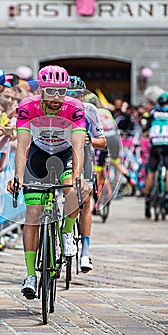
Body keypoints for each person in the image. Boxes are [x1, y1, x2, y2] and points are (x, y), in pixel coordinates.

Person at [7, 65, 87, 299]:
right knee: (33, 213)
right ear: (41, 90)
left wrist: (75, 176)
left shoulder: (75, 108)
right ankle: (31, 274)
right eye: (50, 91)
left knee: (72, 188)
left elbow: (78, 147)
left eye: (61, 91)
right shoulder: (27, 107)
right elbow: (22, 146)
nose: (56, 97)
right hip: (39, 155)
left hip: (64, 154)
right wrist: (19, 177)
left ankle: (67, 232)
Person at [66, 76, 106, 272]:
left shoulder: (89, 110)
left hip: (84, 158)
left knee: (85, 203)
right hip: (59, 157)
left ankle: (85, 253)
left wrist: (89, 138)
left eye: (77, 95)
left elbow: (102, 141)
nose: (74, 98)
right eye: (69, 94)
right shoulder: (56, 109)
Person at [144, 92, 168, 218]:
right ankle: (166, 200)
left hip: (155, 145)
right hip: (167, 145)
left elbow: (147, 130)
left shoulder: (153, 113)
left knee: (151, 172)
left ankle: (148, 202)